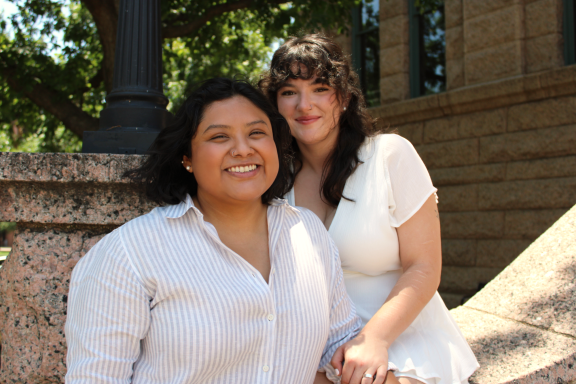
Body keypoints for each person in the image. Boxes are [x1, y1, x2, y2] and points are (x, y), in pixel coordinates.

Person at [65, 78, 362, 384]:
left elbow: (343, 347)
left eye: (257, 133)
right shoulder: (129, 252)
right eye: (219, 137)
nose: (243, 149)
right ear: (187, 158)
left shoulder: (308, 232)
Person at [259, 34, 479, 384]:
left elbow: (423, 267)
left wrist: (373, 339)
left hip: (400, 339)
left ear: (343, 97)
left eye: (319, 89)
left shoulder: (390, 155)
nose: (304, 105)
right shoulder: (273, 182)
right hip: (315, 348)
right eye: (289, 92)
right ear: (275, 105)